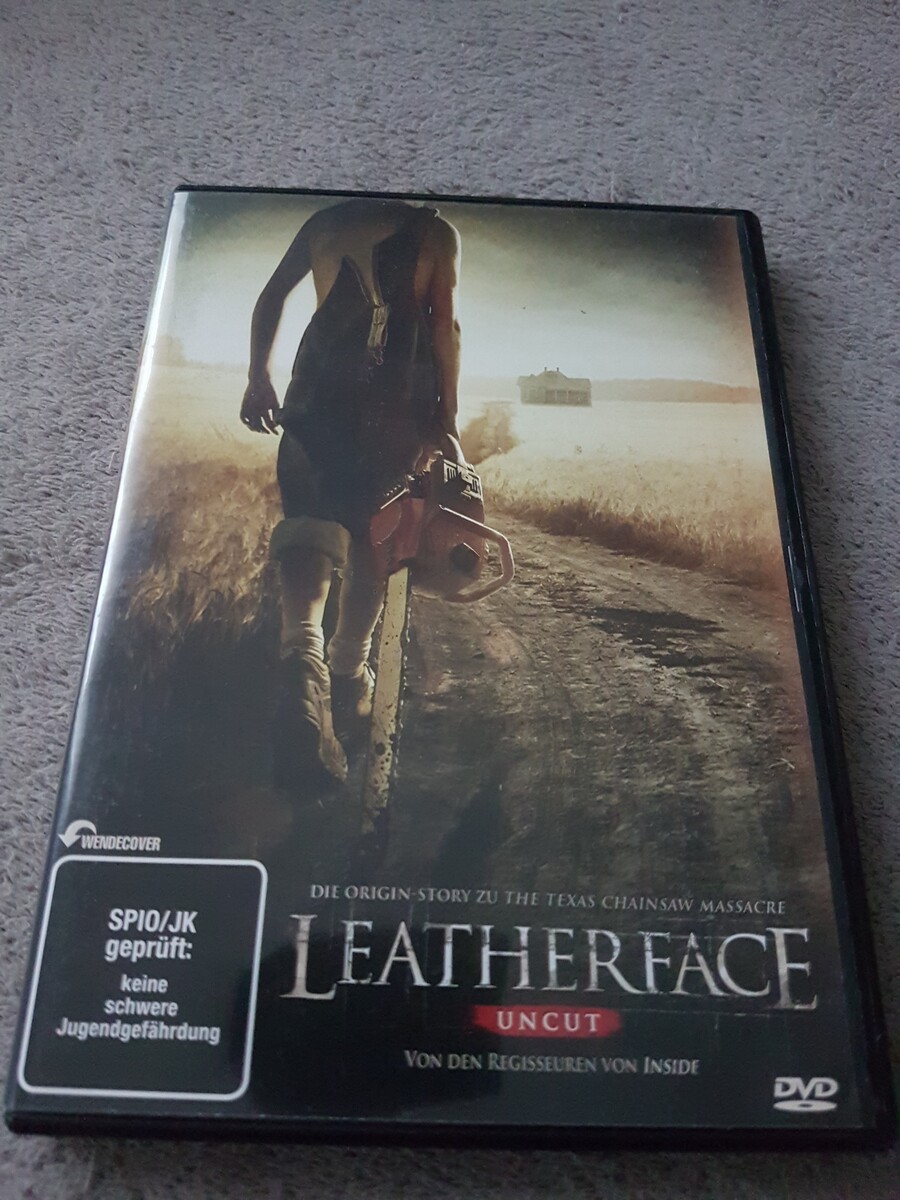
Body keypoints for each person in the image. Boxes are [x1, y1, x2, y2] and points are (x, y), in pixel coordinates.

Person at [240, 198, 463, 782]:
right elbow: (443, 328)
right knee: (374, 533)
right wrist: (446, 420)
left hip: (316, 389)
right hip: (392, 404)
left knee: (308, 524)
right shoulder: (434, 233)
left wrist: (258, 377)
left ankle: (302, 661)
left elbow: (271, 296)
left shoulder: (325, 222)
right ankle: (348, 674)